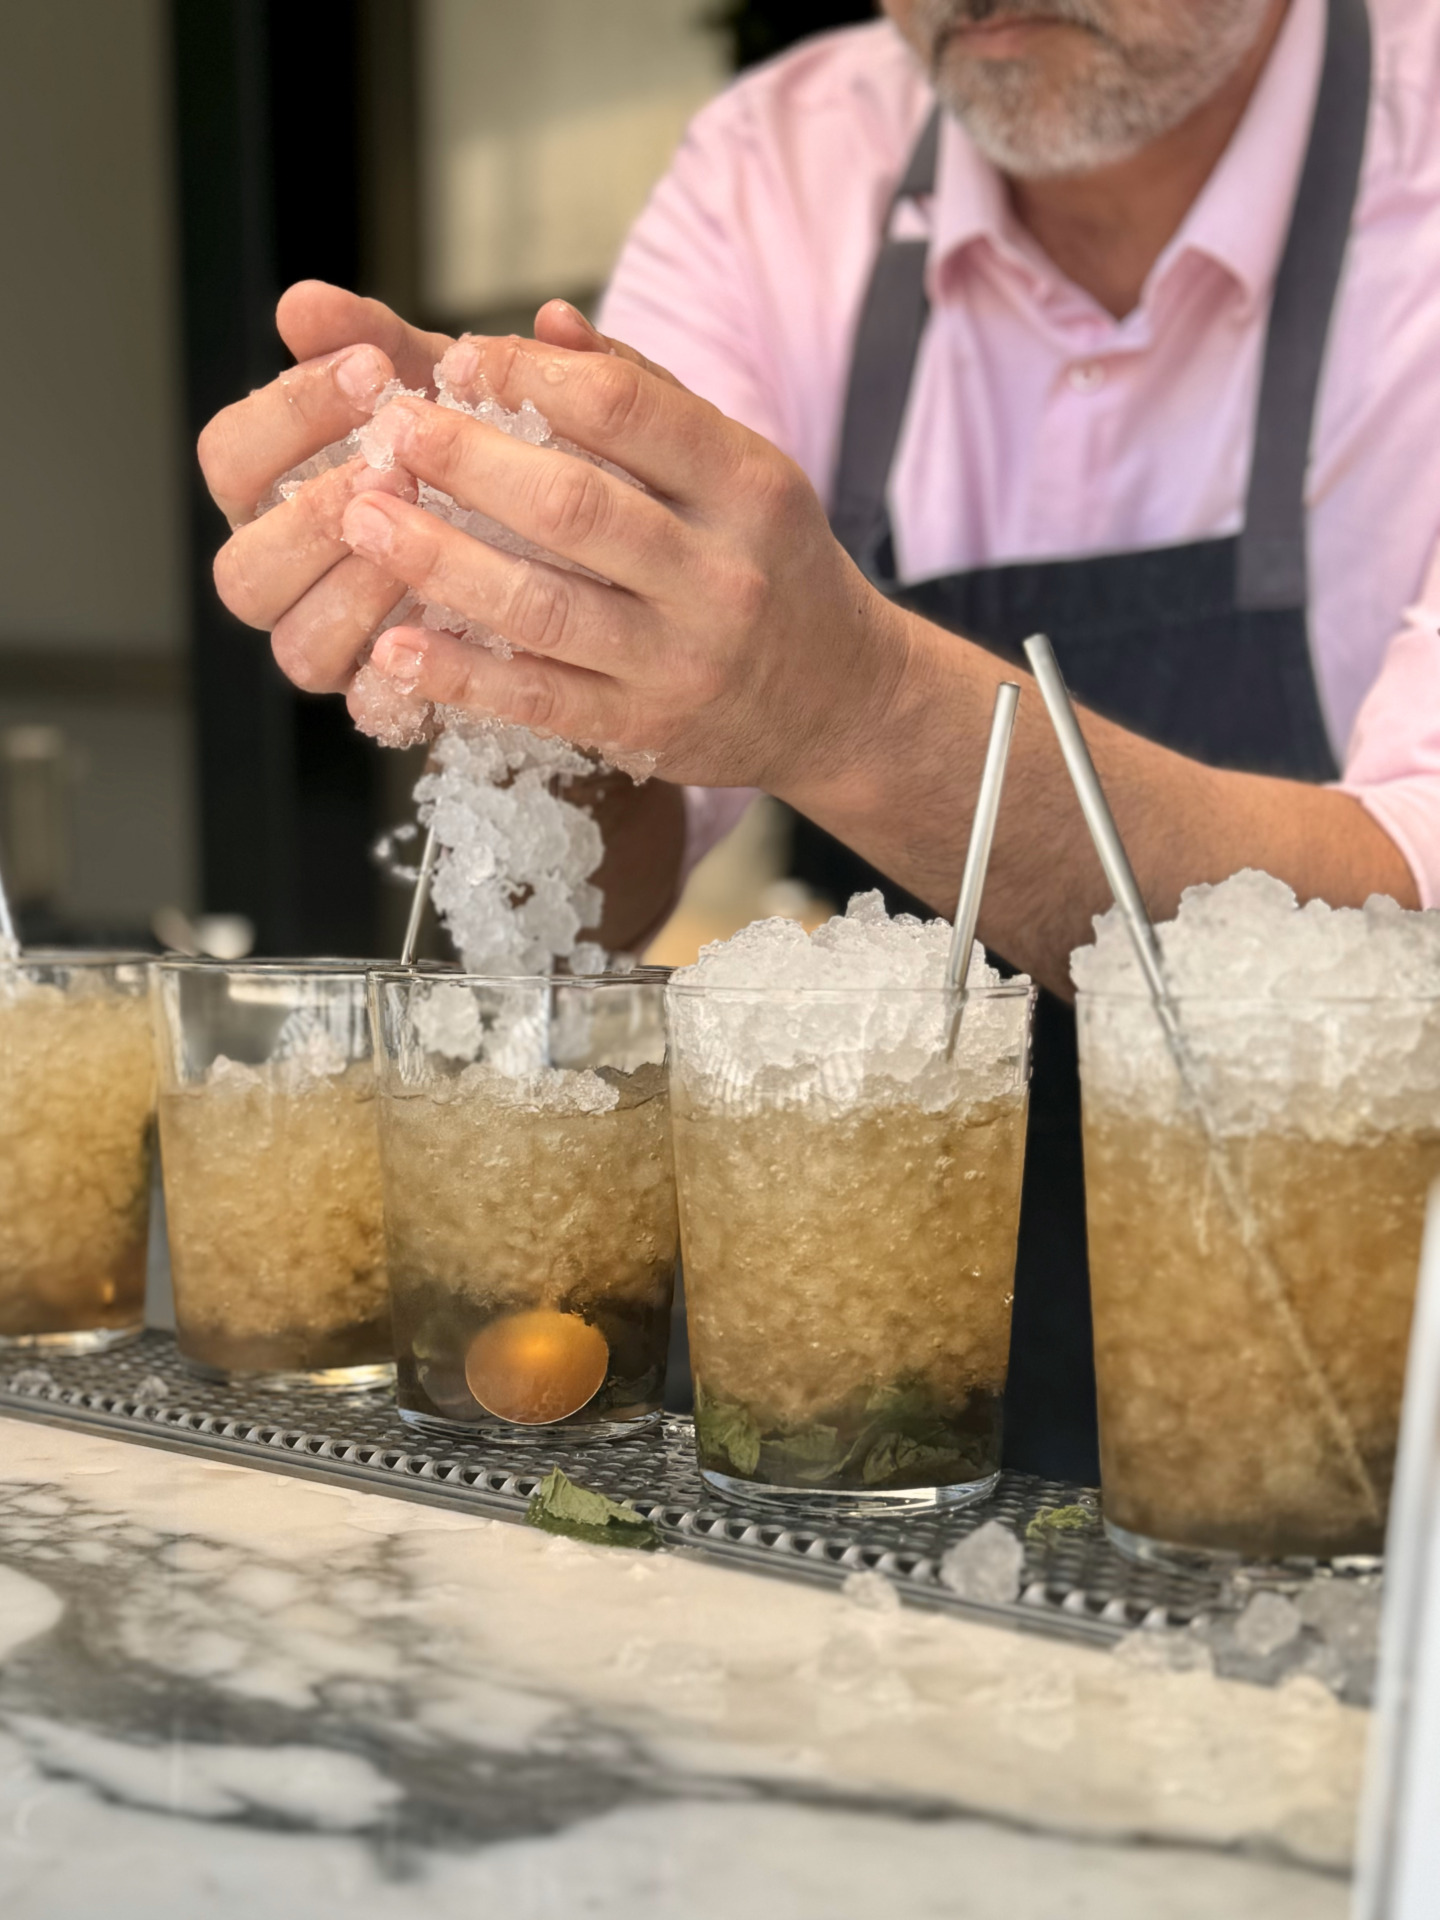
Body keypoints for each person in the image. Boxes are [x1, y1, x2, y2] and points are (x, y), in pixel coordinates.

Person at [198, 0, 1440, 1479]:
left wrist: (853, 702)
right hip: (878, 1416)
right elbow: (617, 881)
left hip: (1370, 1432)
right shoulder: (780, 166)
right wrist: (497, 599)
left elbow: (1405, 938)